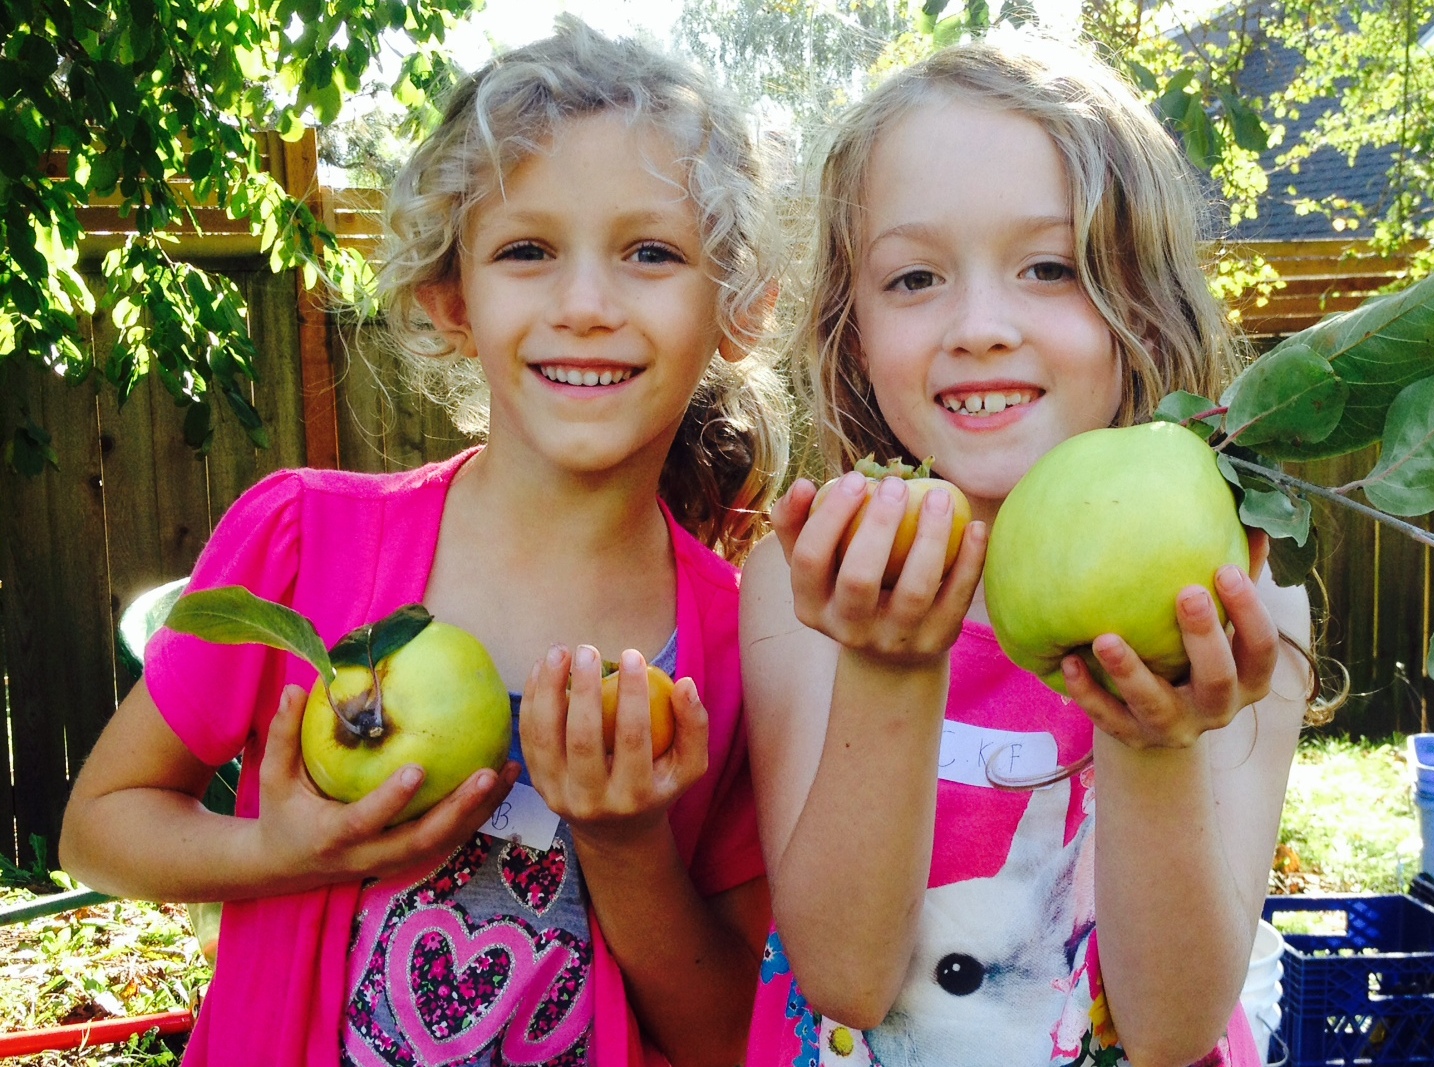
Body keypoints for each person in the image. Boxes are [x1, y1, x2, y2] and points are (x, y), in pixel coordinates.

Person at [59, 17, 788, 1067]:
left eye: (651, 252)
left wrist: (628, 847)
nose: (586, 304)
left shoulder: (739, 642)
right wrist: (277, 846)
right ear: (453, 301)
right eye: (527, 251)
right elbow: (98, 826)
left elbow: (725, 1036)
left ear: (738, 310)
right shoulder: (307, 537)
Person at [741, 37, 1318, 1067]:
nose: (978, 325)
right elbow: (845, 974)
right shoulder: (815, 574)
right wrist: (890, 660)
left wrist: (1153, 737)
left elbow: (1170, 1026)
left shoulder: (1237, 598)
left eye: (1048, 268)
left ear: (1142, 305)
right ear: (852, 328)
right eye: (913, 277)